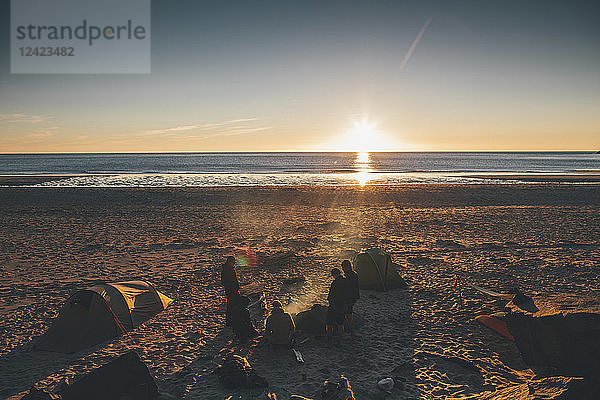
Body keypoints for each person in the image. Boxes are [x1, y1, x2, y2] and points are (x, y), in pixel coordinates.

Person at [326, 267, 345, 347]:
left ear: (334, 275)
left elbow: (330, 296)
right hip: (342, 306)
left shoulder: (334, 283)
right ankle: (339, 341)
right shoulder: (345, 281)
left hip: (334, 305)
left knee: (329, 324)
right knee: (340, 324)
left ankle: (330, 342)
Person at [342, 259, 359, 338]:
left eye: (343, 267)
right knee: (348, 315)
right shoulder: (353, 274)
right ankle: (352, 332)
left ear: (347, 267)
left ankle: (352, 332)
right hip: (353, 297)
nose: (343, 269)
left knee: (348, 315)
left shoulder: (349, 276)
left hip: (350, 298)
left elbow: (348, 288)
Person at [221, 256, 240, 327]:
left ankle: (231, 320)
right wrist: (232, 287)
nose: (234, 263)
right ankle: (230, 321)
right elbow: (224, 282)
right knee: (231, 306)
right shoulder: (228, 270)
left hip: (231, 290)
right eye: (233, 262)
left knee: (232, 305)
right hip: (231, 290)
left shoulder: (228, 269)